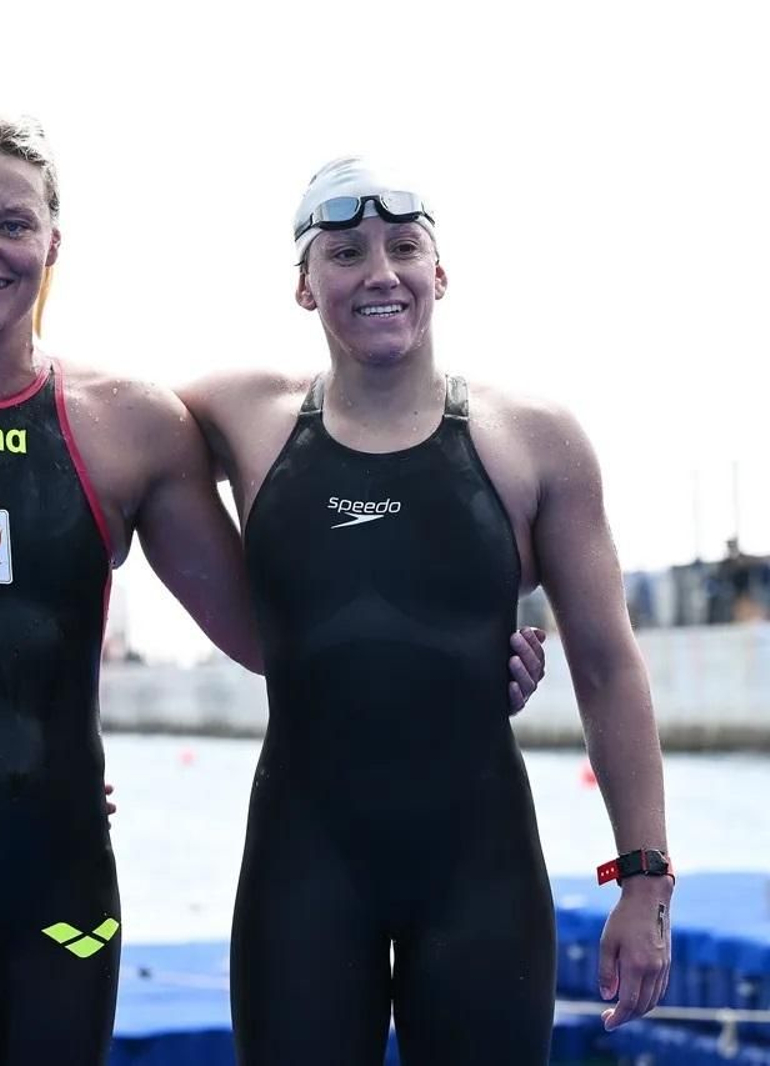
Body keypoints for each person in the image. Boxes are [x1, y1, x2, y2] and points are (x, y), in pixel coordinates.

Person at [0, 121, 547, 1066]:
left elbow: (279, 638)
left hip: (64, 884)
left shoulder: (133, 426)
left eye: (13, 225)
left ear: (52, 246)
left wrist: (456, 653)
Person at [175, 158, 671, 1063]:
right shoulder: (245, 416)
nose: (379, 273)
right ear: (302, 285)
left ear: (440, 273)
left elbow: (607, 667)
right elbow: (72, 419)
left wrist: (643, 881)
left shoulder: (534, 440)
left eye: (405, 247)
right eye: (345, 252)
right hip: (303, 871)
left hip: (479, 875)